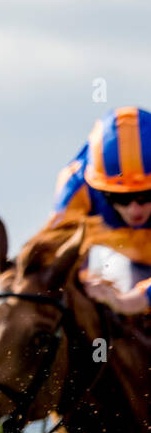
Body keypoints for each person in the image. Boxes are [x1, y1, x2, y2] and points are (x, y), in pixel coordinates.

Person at [49, 106, 151, 315]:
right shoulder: (75, 187)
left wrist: (135, 300)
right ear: (99, 188)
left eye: (146, 195)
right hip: (129, 261)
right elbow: (59, 259)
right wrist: (84, 281)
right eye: (120, 197)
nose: (135, 209)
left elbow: (132, 301)